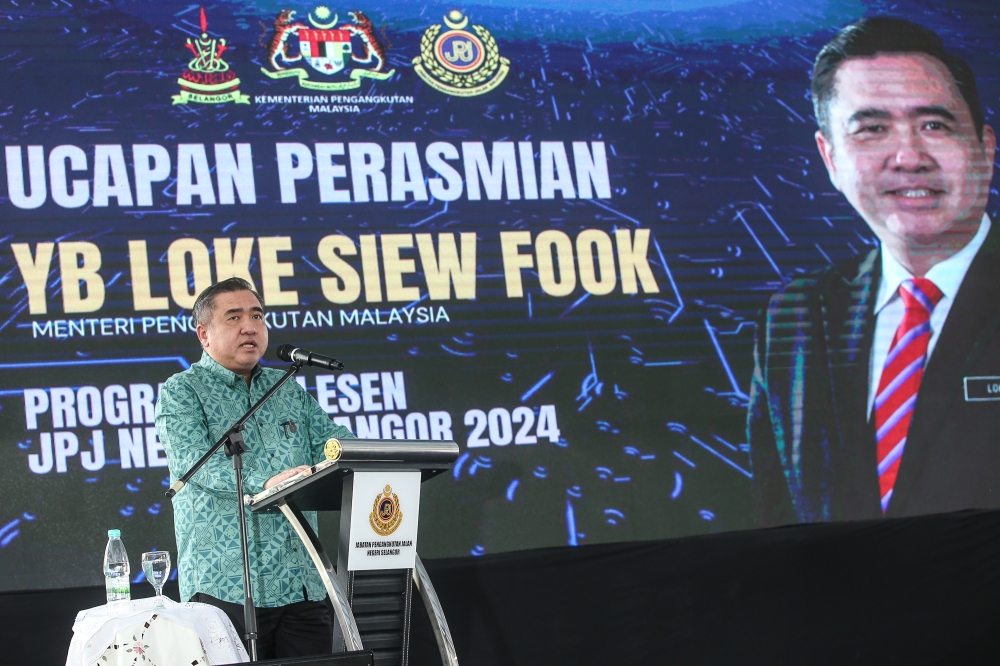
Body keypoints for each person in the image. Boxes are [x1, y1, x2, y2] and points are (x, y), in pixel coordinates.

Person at [748, 17, 1000, 527]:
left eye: (935, 125)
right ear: (830, 158)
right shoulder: (793, 316)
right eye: (872, 129)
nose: (909, 157)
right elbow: (771, 518)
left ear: (986, 147)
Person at [155, 277, 354, 658]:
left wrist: (359, 452)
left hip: (301, 579)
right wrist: (266, 483)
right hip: (226, 584)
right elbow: (195, 465)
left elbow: (332, 441)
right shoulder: (183, 390)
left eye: (257, 316)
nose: (250, 326)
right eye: (234, 317)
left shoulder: (285, 387)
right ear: (204, 334)